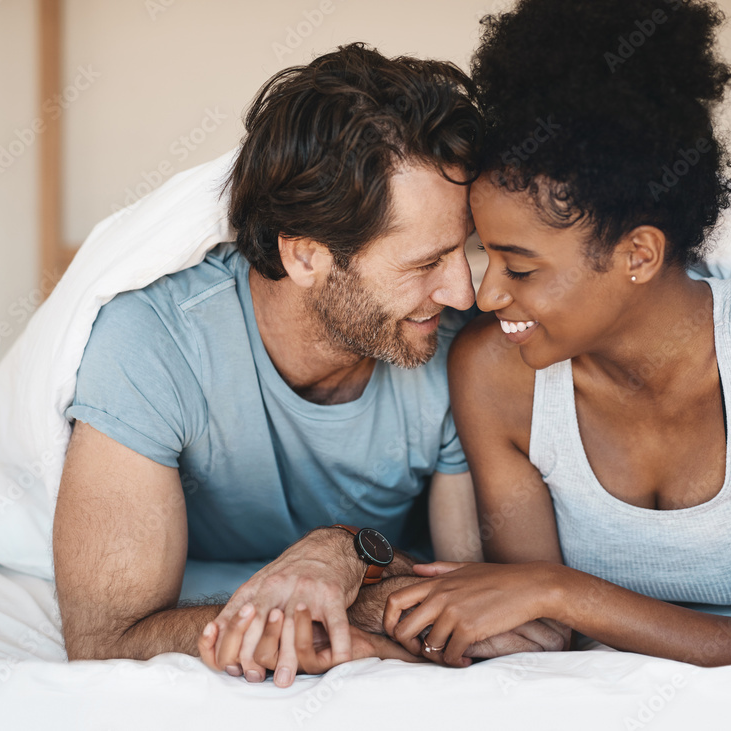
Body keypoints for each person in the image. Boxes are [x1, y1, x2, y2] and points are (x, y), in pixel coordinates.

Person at [53, 43, 565, 688]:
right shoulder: (155, 345)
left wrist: (344, 551)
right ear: (304, 258)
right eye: (423, 263)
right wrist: (365, 603)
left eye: (463, 252)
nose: (465, 294)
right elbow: (105, 642)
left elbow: (482, 612)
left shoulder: (453, 348)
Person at [384, 0, 731, 668]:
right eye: (484, 256)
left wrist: (558, 587)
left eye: (519, 266)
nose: (486, 295)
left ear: (638, 254)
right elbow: (541, 633)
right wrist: (546, 597)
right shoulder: (494, 373)